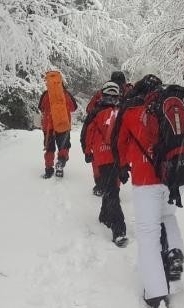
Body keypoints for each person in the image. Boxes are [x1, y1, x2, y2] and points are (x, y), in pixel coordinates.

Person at [113, 74, 184, 308]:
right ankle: (175, 253)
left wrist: (123, 167)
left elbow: (120, 144)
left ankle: (155, 292)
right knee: (168, 216)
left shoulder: (132, 111)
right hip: (174, 178)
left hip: (146, 180)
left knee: (148, 235)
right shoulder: (173, 107)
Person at [82, 81, 128, 247]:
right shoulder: (122, 112)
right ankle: (114, 226)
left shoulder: (96, 112)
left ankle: (111, 223)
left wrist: (88, 151)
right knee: (112, 190)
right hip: (117, 157)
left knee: (110, 190)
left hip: (102, 156)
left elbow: (88, 133)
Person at [83, 71, 132, 194]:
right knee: (117, 159)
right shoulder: (128, 92)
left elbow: (89, 109)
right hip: (119, 134)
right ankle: (114, 187)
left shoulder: (102, 92)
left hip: (100, 134)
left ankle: (100, 185)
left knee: (99, 158)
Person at [38, 71, 77, 179]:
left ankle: (48, 169)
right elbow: (74, 108)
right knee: (64, 146)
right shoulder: (66, 95)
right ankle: (61, 162)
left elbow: (41, 107)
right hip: (63, 125)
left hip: (48, 126)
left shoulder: (46, 95)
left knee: (49, 148)